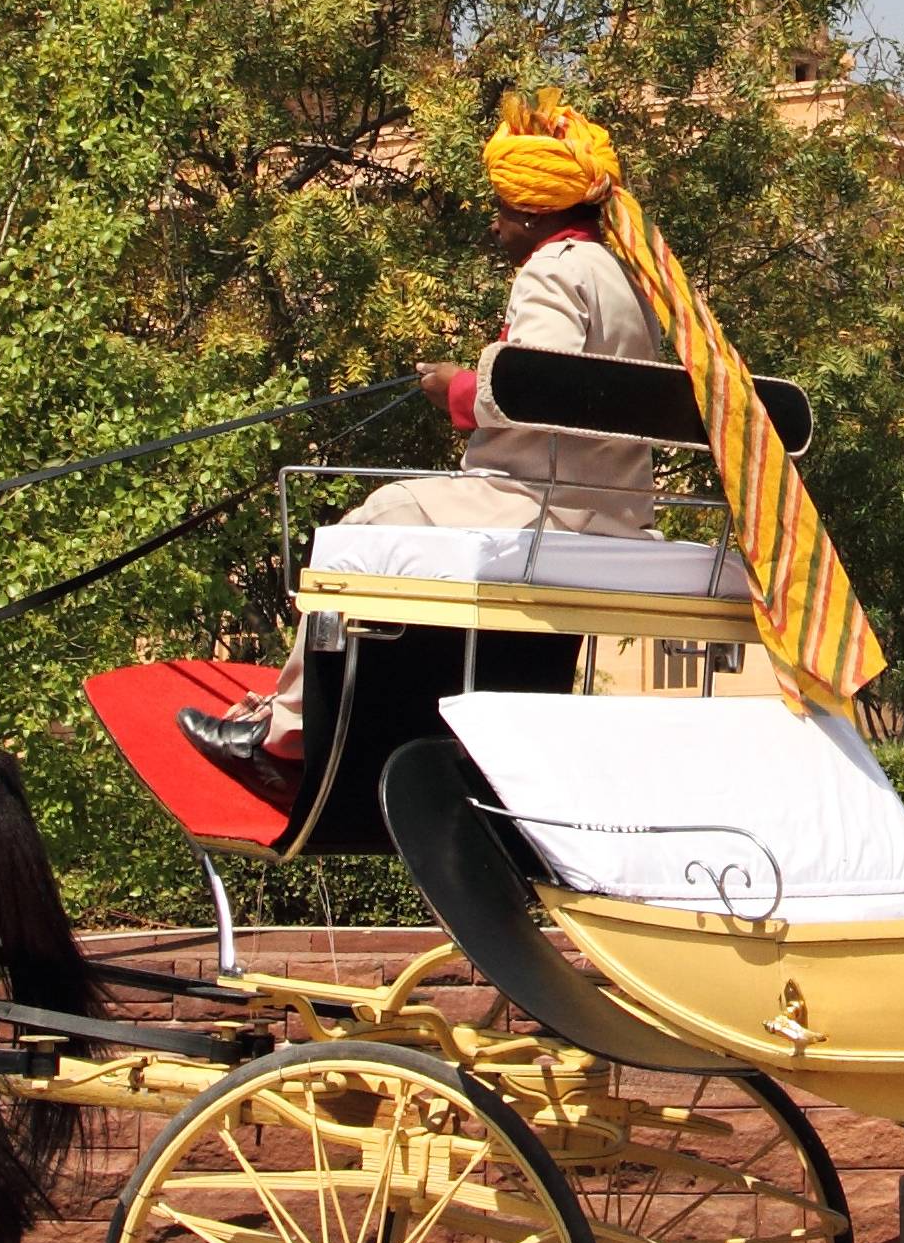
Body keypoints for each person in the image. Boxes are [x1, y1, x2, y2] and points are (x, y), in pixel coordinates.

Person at [176, 96, 667, 790]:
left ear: (533, 211)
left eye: (501, 209)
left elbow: (538, 386)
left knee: (372, 521)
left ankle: (283, 736)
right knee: (399, 521)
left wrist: (456, 388)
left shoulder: (553, 270)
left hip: (545, 507)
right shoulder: (626, 279)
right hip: (614, 511)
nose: (496, 225)